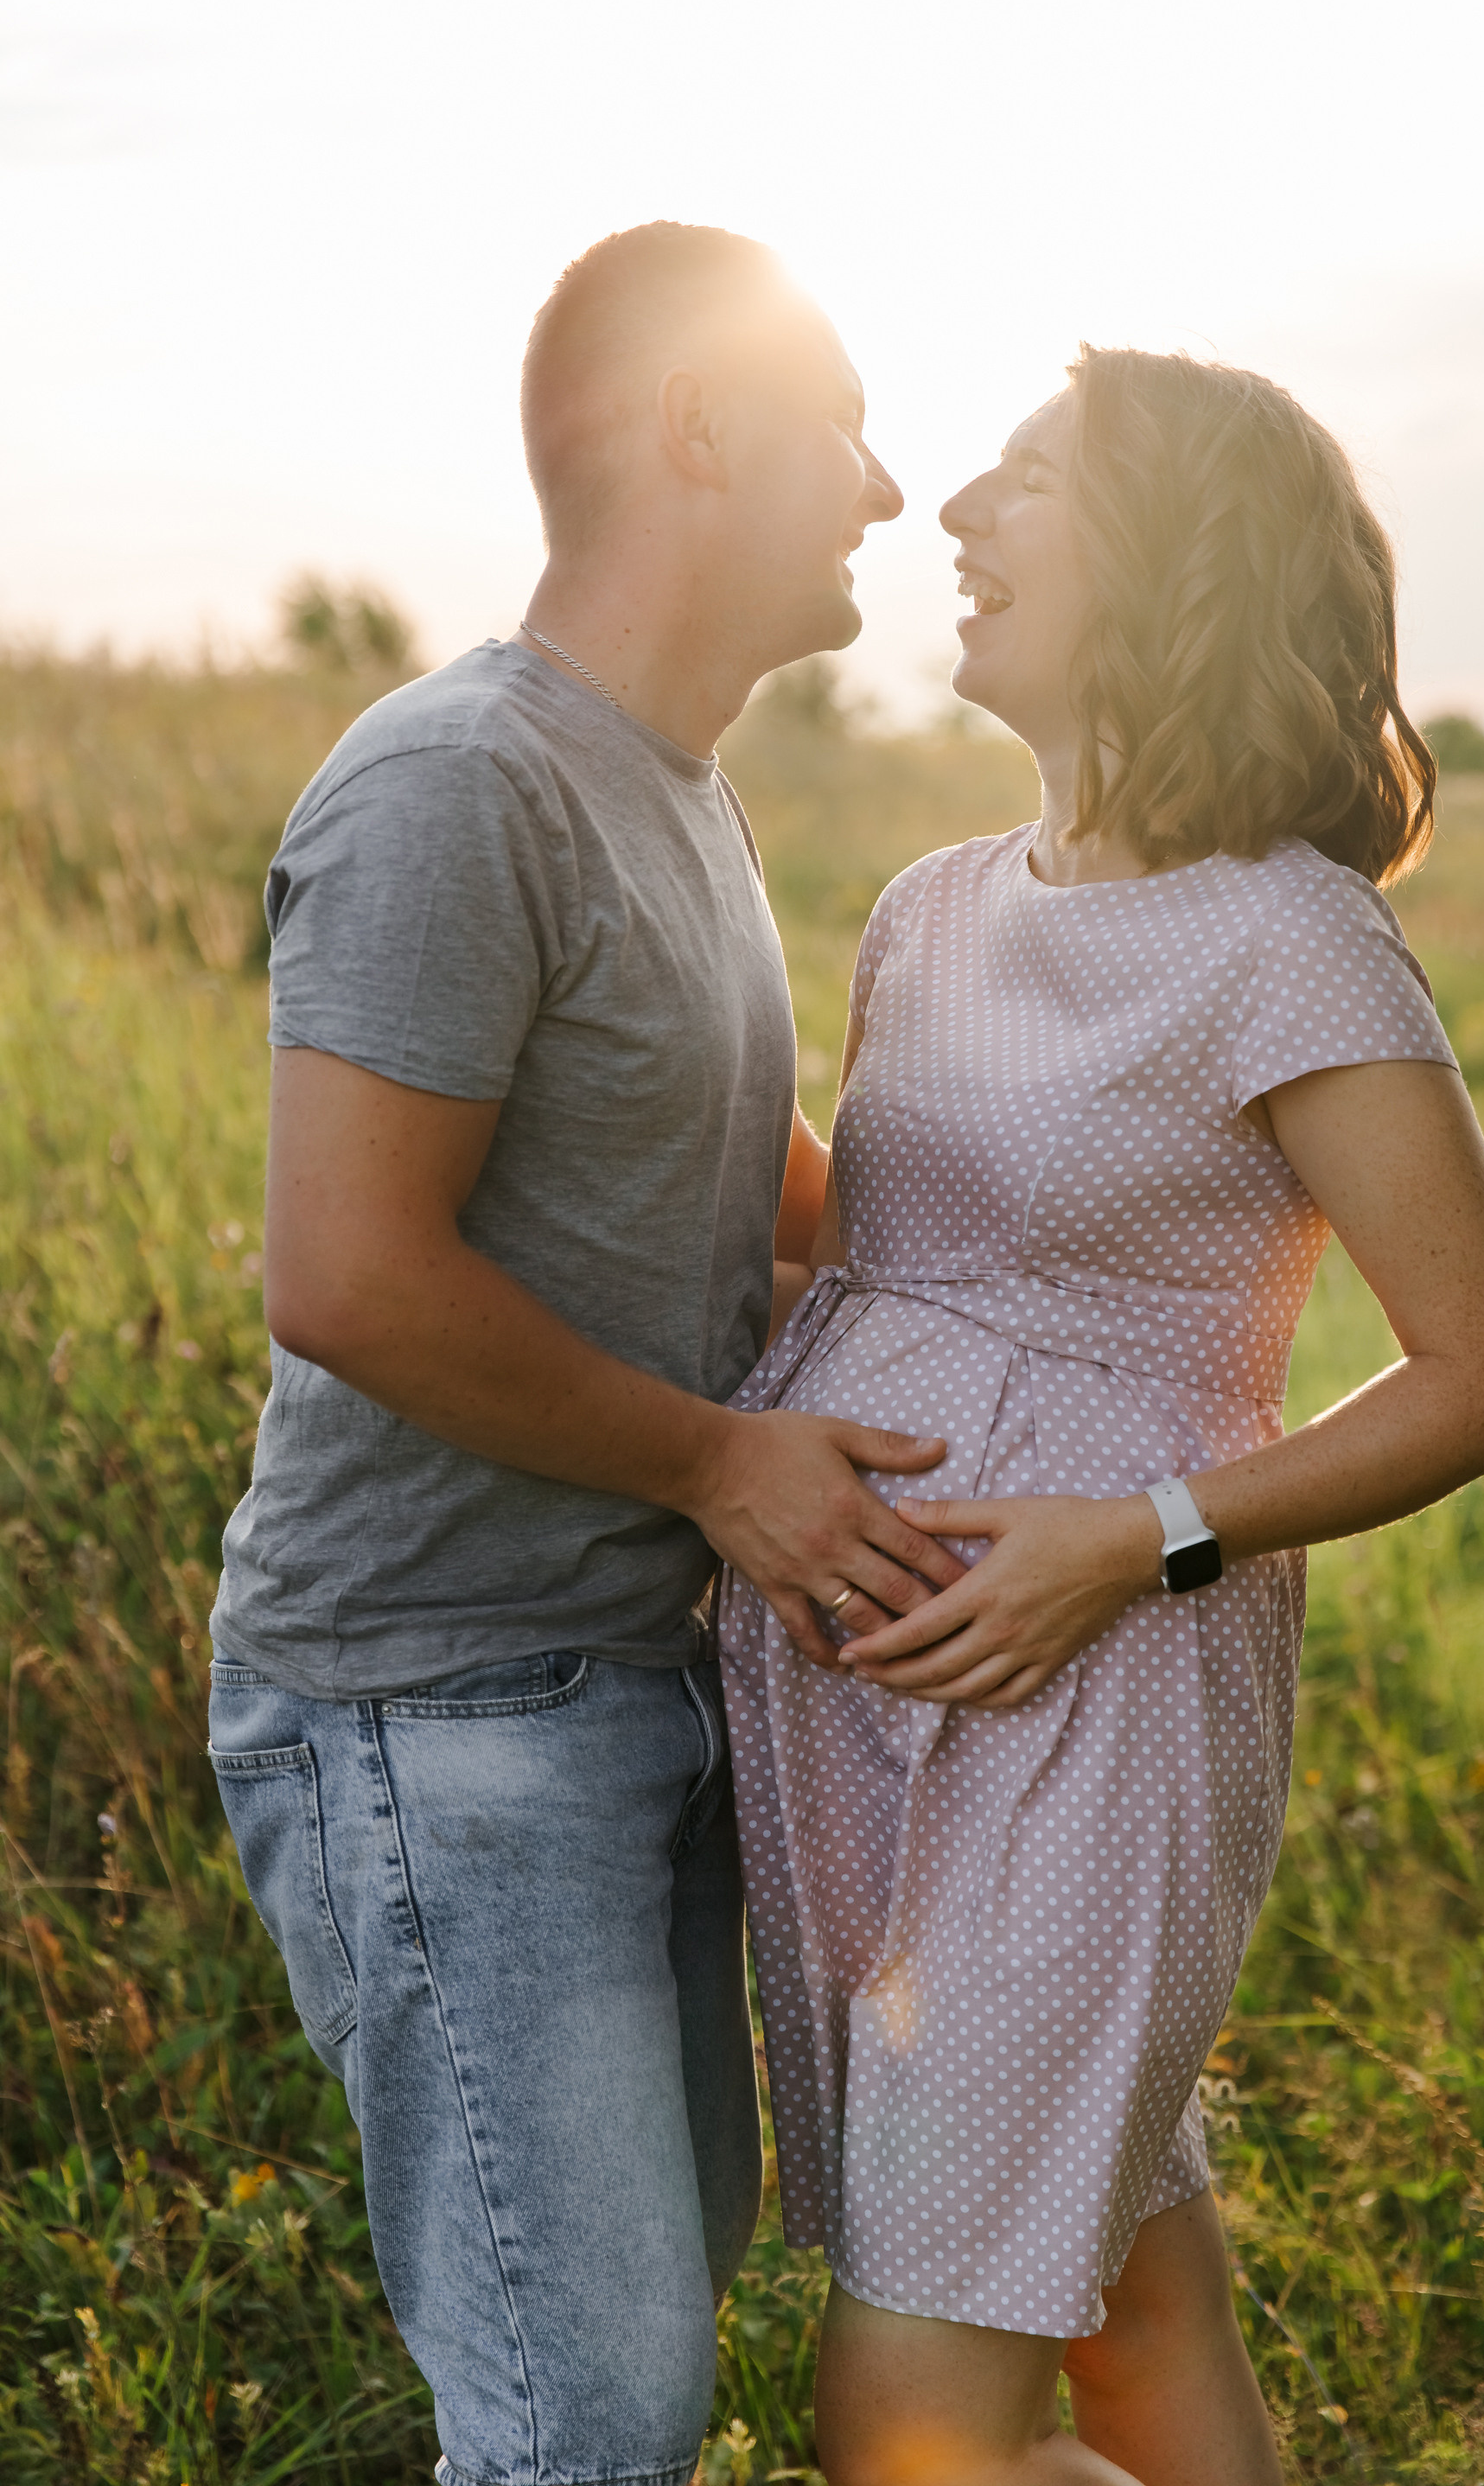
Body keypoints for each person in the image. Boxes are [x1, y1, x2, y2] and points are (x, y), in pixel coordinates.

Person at [718, 347, 1484, 2486]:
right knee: (1136, 2331)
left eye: (1024, 480)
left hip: (1088, 1701)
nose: (953, 519)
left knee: (910, 2411)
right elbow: (886, 1260)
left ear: (1172, 557)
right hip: (867, 1706)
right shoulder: (931, 907)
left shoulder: (1289, 938)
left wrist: (1135, 1536)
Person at [205, 222, 969, 2486]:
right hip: (435, 1700)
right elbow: (345, 1271)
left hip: (634, 1686)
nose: (889, 487)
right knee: (589, 2424)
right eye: (839, 420)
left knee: (631, 2368)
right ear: (700, 431)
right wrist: (725, 1464)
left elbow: (749, 1170)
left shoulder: (682, 793)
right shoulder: (460, 783)